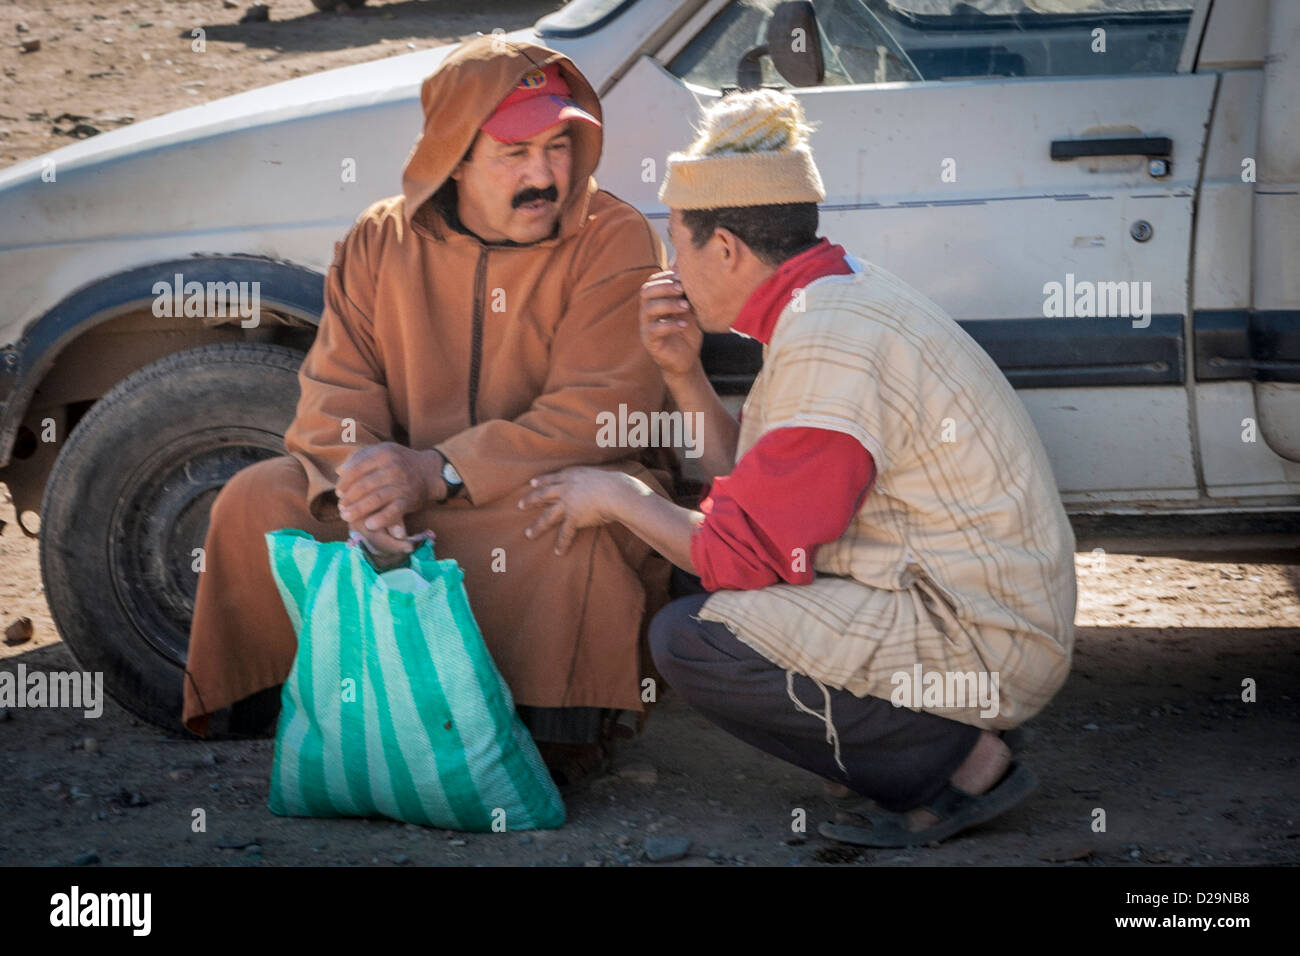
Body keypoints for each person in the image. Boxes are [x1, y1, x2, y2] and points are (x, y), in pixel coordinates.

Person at [519, 89, 1077, 845]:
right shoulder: (829, 298)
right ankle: (894, 744)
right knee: (693, 574)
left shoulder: (829, 339)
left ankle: (963, 764)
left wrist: (618, 496)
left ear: (726, 249)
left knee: (693, 637)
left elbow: (738, 554)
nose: (672, 270)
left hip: (979, 637)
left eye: (678, 247)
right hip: (963, 609)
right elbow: (745, 492)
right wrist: (683, 372)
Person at [183, 36, 676, 784]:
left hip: (536, 485)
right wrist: (363, 485)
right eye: (514, 153)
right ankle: (285, 706)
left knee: (573, 534)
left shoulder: (614, 236)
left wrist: (441, 471)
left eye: (558, 146)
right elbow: (334, 390)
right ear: (455, 157)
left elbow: (604, 407)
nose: (545, 174)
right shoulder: (378, 240)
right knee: (259, 499)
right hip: (407, 491)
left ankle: (553, 732)